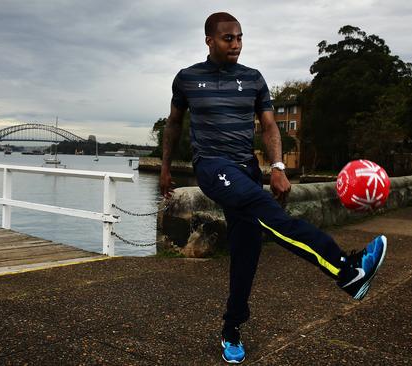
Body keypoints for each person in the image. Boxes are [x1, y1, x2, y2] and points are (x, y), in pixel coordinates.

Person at [159, 12, 387, 364]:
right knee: (264, 211)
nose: (235, 44)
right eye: (227, 38)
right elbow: (173, 125)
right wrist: (164, 168)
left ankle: (231, 330)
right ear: (209, 40)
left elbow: (269, 127)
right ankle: (345, 269)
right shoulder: (187, 79)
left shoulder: (253, 79)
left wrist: (278, 167)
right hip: (212, 166)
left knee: (247, 252)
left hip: (247, 168)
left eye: (239, 37)